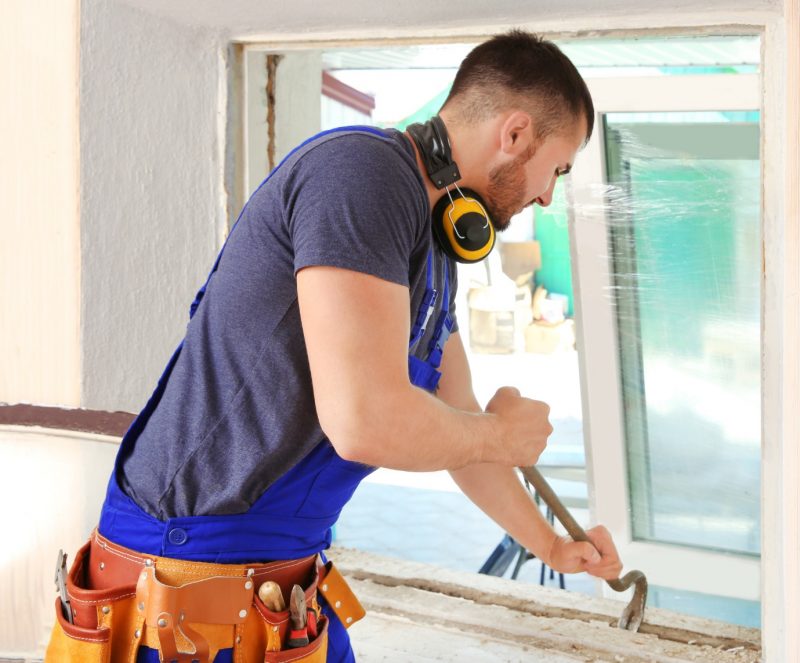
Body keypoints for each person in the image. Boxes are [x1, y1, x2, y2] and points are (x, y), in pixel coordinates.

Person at [46, 29, 623, 663]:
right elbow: (365, 422)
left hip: (273, 584)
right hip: (185, 572)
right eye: (557, 169)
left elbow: (459, 428)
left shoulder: (432, 246)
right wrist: (500, 435)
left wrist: (550, 547)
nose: (547, 194)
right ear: (515, 135)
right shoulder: (363, 175)